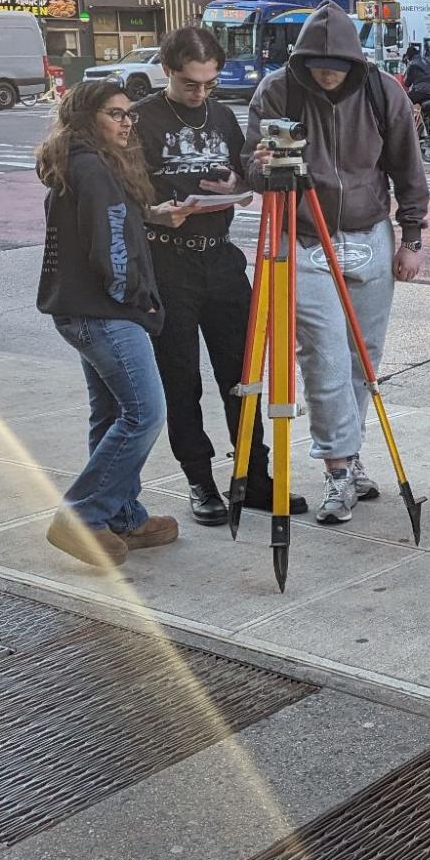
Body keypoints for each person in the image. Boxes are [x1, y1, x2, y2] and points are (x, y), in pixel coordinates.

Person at [244, 3, 429, 527]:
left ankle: (350, 451)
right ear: (302, 59)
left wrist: (412, 238)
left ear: (354, 62)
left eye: (337, 66)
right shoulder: (278, 90)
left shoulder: (382, 92)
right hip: (303, 235)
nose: (327, 74)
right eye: (317, 65)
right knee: (322, 356)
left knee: (361, 359)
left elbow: (408, 168)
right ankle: (338, 467)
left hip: (369, 233)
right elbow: (250, 167)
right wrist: (260, 166)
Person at [132, 27, 304, 526]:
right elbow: (120, 194)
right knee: (181, 378)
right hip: (168, 260)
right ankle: (200, 480)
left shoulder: (222, 115)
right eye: (191, 83)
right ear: (167, 70)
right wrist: (153, 213)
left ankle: (253, 475)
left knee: (242, 376)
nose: (200, 92)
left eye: (209, 83)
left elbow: (242, 172)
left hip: (221, 258)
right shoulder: (140, 119)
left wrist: (238, 183)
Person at [35, 78, 177, 565]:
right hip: (105, 314)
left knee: (114, 414)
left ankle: (122, 515)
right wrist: (138, 300)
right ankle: (82, 515)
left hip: (82, 310)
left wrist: (151, 216)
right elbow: (110, 248)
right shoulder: (93, 168)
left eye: (128, 113)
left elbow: (104, 227)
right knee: (144, 414)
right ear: (85, 119)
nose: (126, 122)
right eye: (115, 114)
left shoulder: (77, 163)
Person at [401, 44, 430, 112]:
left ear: (409, 56)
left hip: (422, 92)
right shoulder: (426, 61)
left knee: (404, 100)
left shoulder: (413, 64)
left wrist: (406, 65)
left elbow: (407, 83)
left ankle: (408, 118)